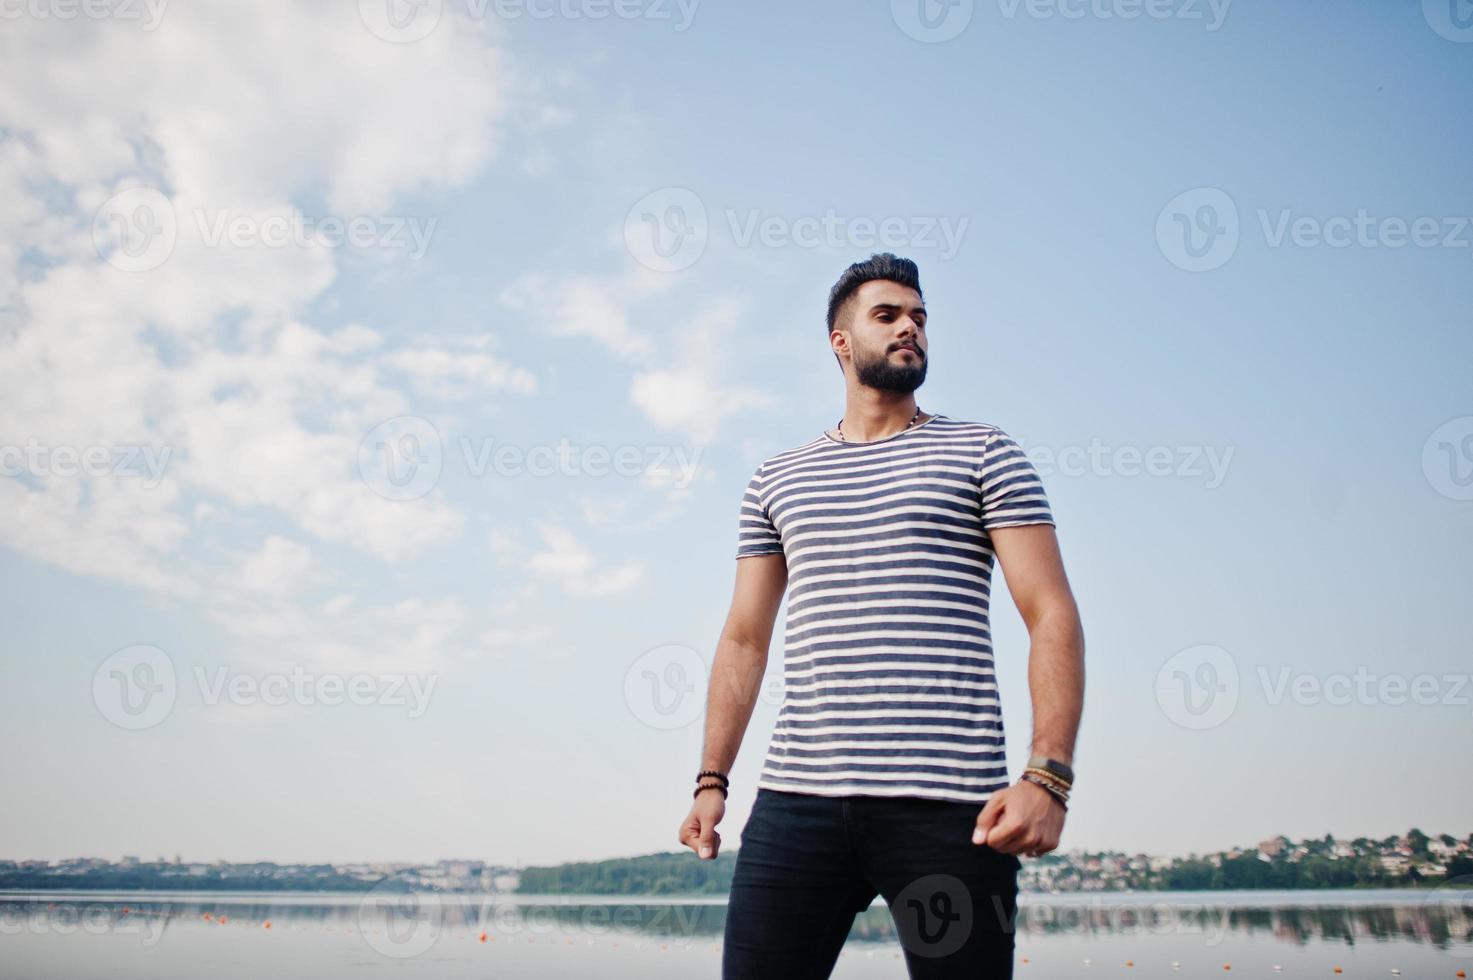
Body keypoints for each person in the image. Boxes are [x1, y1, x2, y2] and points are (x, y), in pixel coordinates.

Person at [676, 253, 1086, 979]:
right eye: (888, 315)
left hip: (951, 811)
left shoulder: (983, 451)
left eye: (920, 318)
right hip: (795, 805)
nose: (911, 329)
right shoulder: (778, 478)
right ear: (839, 341)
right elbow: (743, 640)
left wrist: (1046, 778)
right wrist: (712, 783)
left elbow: (1049, 612)